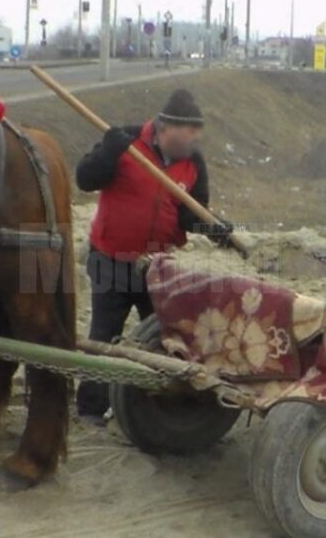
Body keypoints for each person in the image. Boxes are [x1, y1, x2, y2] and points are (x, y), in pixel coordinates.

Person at [74, 89, 234, 417]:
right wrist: (108, 152)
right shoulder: (125, 142)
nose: (196, 138)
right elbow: (85, 180)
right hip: (110, 260)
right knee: (105, 337)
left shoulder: (193, 163)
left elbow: (191, 215)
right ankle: (92, 408)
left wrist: (214, 227)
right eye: (190, 131)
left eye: (197, 131)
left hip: (157, 267)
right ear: (165, 128)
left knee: (165, 338)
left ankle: (151, 406)